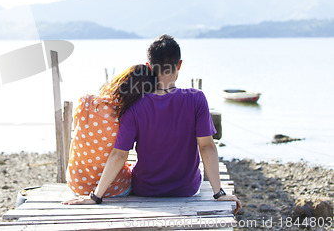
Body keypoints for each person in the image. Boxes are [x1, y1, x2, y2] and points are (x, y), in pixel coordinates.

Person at [63, 35, 241, 214]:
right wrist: (218, 193)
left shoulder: (134, 105)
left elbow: (119, 154)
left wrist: (96, 196)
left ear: (149, 67)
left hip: (145, 189)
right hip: (187, 189)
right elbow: (207, 147)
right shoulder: (197, 99)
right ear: (179, 65)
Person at [66, 64, 156, 197]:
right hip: (114, 189)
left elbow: (79, 134)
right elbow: (119, 156)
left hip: (77, 186)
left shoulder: (85, 101)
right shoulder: (129, 118)